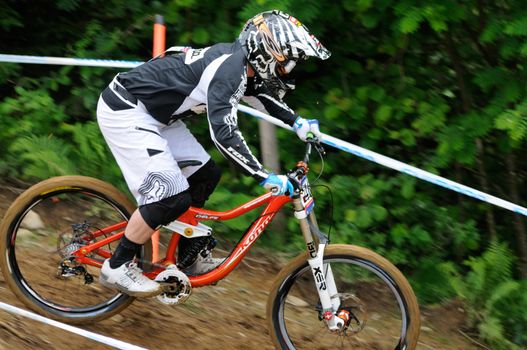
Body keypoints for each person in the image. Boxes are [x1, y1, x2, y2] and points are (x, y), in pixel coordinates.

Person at [96, 10, 331, 297]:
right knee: (171, 194)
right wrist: (263, 176)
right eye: (286, 65)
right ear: (267, 53)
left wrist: (298, 123)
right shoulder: (228, 72)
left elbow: (259, 94)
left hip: (157, 116)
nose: (287, 72)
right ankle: (117, 266)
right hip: (126, 109)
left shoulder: (242, 66)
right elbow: (224, 135)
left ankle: (188, 260)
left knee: (206, 175)